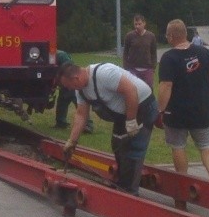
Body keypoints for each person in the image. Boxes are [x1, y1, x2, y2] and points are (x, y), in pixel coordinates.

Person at [59, 62, 158, 195]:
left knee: (133, 149)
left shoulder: (104, 73)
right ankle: (124, 185)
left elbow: (131, 90)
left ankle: (130, 193)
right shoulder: (81, 90)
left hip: (143, 106)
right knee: (118, 144)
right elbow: (81, 115)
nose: (69, 89)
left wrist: (131, 121)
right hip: (123, 114)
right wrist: (72, 141)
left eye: (67, 85)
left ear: (76, 78)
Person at [157, 19, 209, 185]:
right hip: (202, 108)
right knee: (207, 145)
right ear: (185, 34)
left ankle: (183, 180)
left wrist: (160, 111)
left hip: (177, 112)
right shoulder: (204, 52)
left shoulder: (168, 58)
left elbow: (166, 85)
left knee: (178, 146)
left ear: (170, 36)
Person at [53, 50, 93, 133]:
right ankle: (61, 122)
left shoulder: (61, 55)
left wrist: (62, 79)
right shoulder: (54, 56)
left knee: (79, 103)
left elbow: (69, 67)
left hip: (70, 81)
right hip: (64, 83)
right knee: (62, 102)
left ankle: (88, 125)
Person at [123, 14, 157, 90]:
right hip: (133, 68)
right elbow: (125, 53)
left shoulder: (151, 36)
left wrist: (153, 67)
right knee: (133, 90)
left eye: (139, 24)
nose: (137, 26)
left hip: (147, 68)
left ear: (144, 23)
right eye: (135, 24)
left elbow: (153, 52)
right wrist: (126, 67)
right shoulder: (129, 36)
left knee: (148, 90)